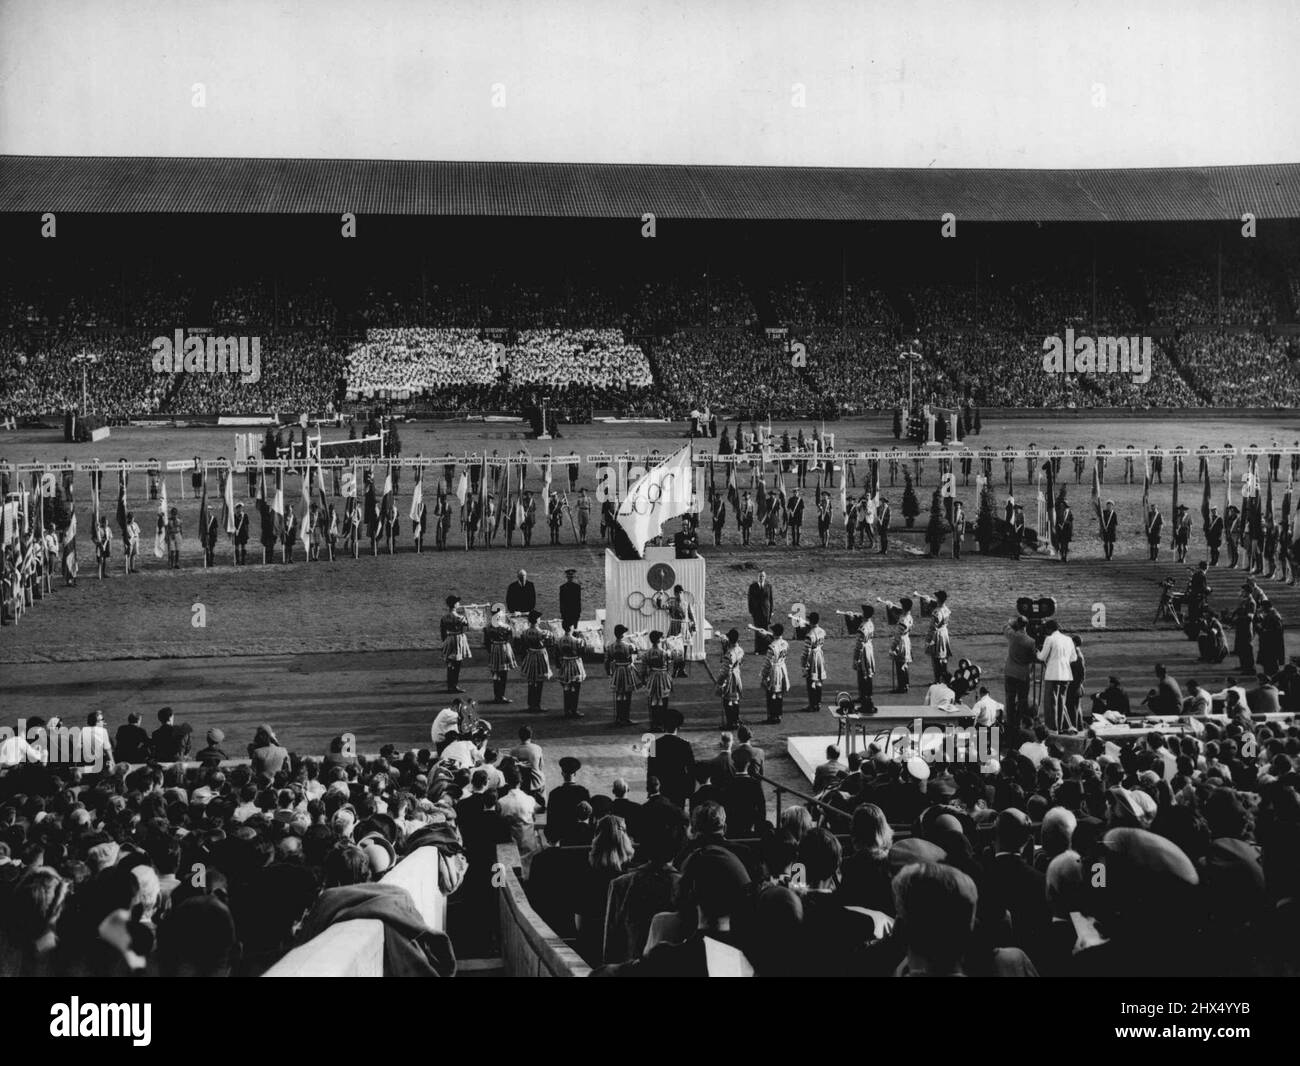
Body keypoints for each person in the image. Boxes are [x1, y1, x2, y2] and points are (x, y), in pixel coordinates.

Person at [647, 709, 695, 807]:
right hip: (679, 788)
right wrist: (690, 791)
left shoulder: (653, 745)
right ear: (678, 727)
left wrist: (651, 790)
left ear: (663, 727)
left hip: (661, 789)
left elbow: (651, 771)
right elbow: (691, 770)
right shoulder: (684, 745)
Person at [1037, 620, 1076, 731]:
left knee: (1051, 705)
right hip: (1066, 674)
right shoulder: (1068, 639)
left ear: (1049, 629)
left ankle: (1052, 729)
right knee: (1061, 703)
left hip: (1053, 674)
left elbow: (1041, 657)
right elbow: (1074, 658)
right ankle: (1059, 727)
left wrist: (1037, 652)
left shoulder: (1050, 639)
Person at [519, 610, 553, 714]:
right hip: (540, 656)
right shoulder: (542, 633)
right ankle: (537, 705)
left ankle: (530, 704)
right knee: (539, 681)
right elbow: (550, 643)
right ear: (537, 620)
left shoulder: (525, 632)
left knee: (531, 681)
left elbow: (523, 644)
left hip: (530, 655)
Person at [606, 624, 641, 726]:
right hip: (626, 670)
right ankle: (625, 718)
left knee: (619, 693)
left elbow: (607, 661)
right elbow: (636, 654)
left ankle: (618, 717)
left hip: (617, 670)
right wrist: (635, 640)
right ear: (622, 634)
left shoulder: (611, 646)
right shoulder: (628, 646)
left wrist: (609, 672)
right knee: (627, 693)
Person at [641, 630, 674, 731]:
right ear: (659, 640)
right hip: (663, 677)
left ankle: (654, 724)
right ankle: (662, 723)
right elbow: (670, 666)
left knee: (653, 700)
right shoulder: (665, 653)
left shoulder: (647, 653)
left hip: (652, 677)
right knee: (663, 700)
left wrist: (644, 680)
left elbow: (643, 669)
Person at [485, 603, 516, 704]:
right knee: (503, 674)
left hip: (494, 649)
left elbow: (486, 642)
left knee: (495, 674)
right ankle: (501, 695)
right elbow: (511, 638)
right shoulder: (506, 627)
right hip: (503, 649)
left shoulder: (488, 626)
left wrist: (491, 650)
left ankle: (496, 695)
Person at [555, 621, 587, 719]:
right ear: (571, 627)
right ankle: (574, 710)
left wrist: (559, 666)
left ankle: (566, 710)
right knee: (575, 688)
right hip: (574, 664)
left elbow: (556, 655)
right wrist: (583, 638)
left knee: (566, 687)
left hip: (564, 663)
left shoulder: (559, 640)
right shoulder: (577, 640)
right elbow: (583, 653)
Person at [760, 622, 791, 723]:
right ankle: (778, 715)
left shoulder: (772, 647)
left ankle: (772, 716)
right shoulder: (785, 643)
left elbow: (768, 663)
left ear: (774, 633)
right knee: (779, 693)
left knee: (771, 693)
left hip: (774, 671)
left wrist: (764, 675)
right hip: (782, 668)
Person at [440, 594, 472, 693]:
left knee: (450, 663)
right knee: (457, 663)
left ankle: (450, 685)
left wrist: (445, 642)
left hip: (449, 639)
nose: (459, 603)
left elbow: (443, 632)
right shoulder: (460, 617)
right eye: (457, 602)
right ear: (454, 605)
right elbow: (468, 627)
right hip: (458, 640)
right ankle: (454, 685)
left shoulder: (444, 617)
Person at [717, 629, 745, 729]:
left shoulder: (730, 654)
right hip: (737, 675)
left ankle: (730, 723)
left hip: (729, 678)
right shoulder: (740, 650)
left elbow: (725, 671)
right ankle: (736, 719)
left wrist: (720, 682)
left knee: (728, 700)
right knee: (735, 699)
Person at [801, 611, 828, 716]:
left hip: (812, 657)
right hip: (820, 656)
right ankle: (818, 703)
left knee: (811, 681)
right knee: (819, 681)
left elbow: (806, 652)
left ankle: (812, 704)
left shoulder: (809, 635)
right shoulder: (822, 631)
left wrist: (804, 665)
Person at [888, 597, 914, 693]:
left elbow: (897, 637)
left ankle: (901, 687)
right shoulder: (909, 616)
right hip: (906, 640)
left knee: (900, 664)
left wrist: (892, 648)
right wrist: (892, 607)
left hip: (901, 642)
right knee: (904, 664)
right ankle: (906, 684)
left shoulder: (903, 620)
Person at [852, 605, 876, 710]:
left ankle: (863, 695)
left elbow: (859, 645)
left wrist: (856, 658)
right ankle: (867, 694)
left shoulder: (863, 627)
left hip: (864, 651)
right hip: (869, 648)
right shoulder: (870, 623)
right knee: (868, 673)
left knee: (862, 674)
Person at [926, 590, 952, 682]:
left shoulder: (936, 612)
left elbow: (933, 627)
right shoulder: (946, 609)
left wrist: (929, 640)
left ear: (939, 599)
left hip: (937, 635)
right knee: (944, 657)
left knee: (936, 658)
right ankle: (944, 678)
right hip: (944, 633)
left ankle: (937, 680)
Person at [748, 570, 775, 653]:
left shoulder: (768, 586)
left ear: (765, 577)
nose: (761, 578)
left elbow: (771, 599)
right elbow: (750, 599)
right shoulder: (753, 586)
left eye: (763, 576)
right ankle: (758, 649)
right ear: (757, 577)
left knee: (765, 630)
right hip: (756, 612)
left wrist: (771, 611)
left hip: (766, 612)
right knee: (757, 630)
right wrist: (751, 611)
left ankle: (765, 649)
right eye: (760, 576)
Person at [93, 513, 112, 579]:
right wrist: (98, 543)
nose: (107, 524)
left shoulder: (108, 529)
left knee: (104, 559)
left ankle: (103, 573)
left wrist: (108, 545)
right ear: (102, 523)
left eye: (107, 522)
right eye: (105, 522)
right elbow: (94, 538)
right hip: (100, 545)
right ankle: (99, 573)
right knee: (100, 559)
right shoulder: (99, 530)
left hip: (106, 545)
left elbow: (109, 537)